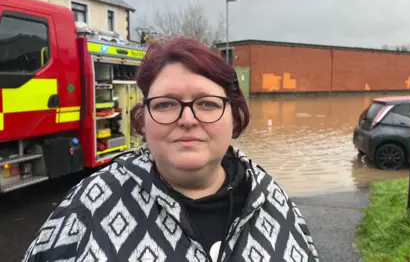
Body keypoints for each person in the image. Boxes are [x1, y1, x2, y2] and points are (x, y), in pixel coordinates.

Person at [22, 36, 320, 262]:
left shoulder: (272, 197)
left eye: (206, 104)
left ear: (234, 116)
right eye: (165, 104)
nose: (187, 120)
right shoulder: (88, 205)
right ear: (143, 119)